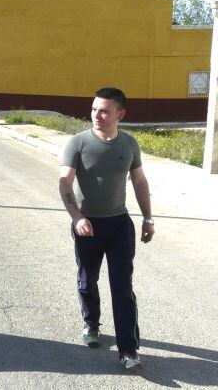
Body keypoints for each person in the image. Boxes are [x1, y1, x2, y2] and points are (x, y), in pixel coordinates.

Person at [58, 86, 155, 370]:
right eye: (94, 109)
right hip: (87, 224)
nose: (97, 115)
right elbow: (64, 182)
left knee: (123, 288)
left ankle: (128, 349)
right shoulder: (78, 143)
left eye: (104, 111)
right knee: (88, 281)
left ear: (120, 114)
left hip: (119, 225)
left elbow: (139, 181)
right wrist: (76, 217)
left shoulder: (129, 144)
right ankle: (91, 322)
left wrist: (148, 218)